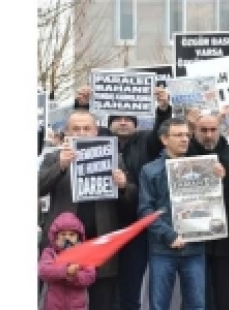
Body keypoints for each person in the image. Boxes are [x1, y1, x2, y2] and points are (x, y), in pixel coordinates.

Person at [39, 109, 134, 310]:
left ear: (96, 131)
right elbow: (38, 188)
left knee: (101, 301)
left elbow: (132, 201)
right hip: (62, 247)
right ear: (66, 132)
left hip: (100, 245)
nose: (81, 133)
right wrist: (61, 165)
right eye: (76, 129)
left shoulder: (113, 158)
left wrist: (124, 185)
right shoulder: (53, 157)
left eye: (86, 128)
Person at [138, 117, 226, 310]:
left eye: (187, 134)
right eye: (178, 135)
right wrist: (169, 235)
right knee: (159, 306)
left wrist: (218, 180)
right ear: (164, 139)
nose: (185, 139)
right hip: (162, 249)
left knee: (196, 305)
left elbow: (212, 205)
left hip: (194, 248)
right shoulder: (150, 170)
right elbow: (145, 211)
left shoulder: (202, 167)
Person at [108, 87, 173, 310]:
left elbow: (159, 134)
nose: (123, 122)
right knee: (105, 287)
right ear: (109, 123)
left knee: (131, 286)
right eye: (118, 118)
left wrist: (163, 108)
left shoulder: (146, 141)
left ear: (136, 123)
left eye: (128, 119)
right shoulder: (99, 141)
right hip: (105, 225)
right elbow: (80, 131)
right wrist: (82, 105)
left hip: (137, 227)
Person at [188, 112, 229, 310]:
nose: (209, 135)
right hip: (194, 240)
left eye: (213, 130)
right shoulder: (185, 153)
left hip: (226, 239)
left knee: (226, 296)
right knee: (199, 298)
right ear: (195, 131)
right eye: (203, 130)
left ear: (220, 129)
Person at [39, 212, 97, 310]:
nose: (67, 238)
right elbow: (43, 270)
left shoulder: (84, 254)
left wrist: (74, 277)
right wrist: (65, 271)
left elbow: (90, 275)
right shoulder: (50, 252)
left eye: (71, 234)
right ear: (56, 236)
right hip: (53, 305)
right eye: (63, 234)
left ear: (78, 237)